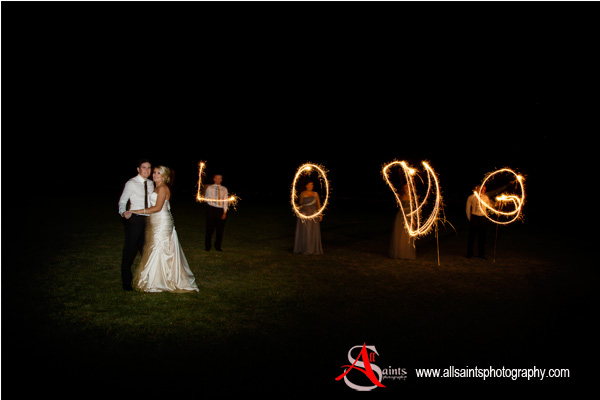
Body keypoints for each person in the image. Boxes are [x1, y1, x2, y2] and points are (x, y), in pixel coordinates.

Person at [125, 166, 199, 293]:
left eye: (158, 173)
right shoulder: (154, 187)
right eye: (154, 172)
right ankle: (159, 278)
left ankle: (158, 281)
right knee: (157, 247)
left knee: (159, 248)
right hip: (155, 221)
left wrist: (135, 211)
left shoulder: (163, 188)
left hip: (162, 221)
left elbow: (157, 208)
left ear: (164, 176)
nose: (155, 175)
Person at [118, 159, 154, 291]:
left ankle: (147, 279)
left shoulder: (152, 184)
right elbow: (122, 201)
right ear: (138, 169)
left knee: (147, 251)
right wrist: (123, 212)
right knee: (130, 251)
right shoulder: (131, 183)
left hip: (149, 221)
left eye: (149, 168)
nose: (147, 170)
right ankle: (126, 282)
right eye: (144, 167)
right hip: (135, 220)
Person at [293, 180, 323, 255]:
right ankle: (305, 247)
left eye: (312, 184)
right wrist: (304, 209)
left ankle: (313, 248)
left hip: (314, 214)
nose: (311, 186)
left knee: (313, 231)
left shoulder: (316, 194)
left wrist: (320, 214)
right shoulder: (302, 194)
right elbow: (300, 204)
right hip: (305, 215)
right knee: (306, 231)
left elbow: (319, 204)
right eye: (309, 185)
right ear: (306, 186)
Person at [389, 184, 416, 259]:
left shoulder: (411, 196)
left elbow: (413, 208)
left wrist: (413, 218)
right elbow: (402, 206)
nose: (407, 189)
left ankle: (405, 253)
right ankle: (400, 253)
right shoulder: (403, 197)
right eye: (406, 188)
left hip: (408, 216)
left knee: (406, 235)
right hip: (402, 216)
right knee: (401, 234)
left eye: (408, 188)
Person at [465, 185, 492, 259]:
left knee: (482, 237)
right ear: (477, 189)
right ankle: (469, 253)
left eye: (485, 189)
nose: (484, 190)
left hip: (483, 218)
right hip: (474, 217)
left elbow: (489, 206)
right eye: (482, 189)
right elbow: (468, 209)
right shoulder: (471, 197)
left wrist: (496, 205)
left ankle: (481, 254)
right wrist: (470, 219)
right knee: (472, 237)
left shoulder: (485, 197)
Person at [204, 174, 228, 251]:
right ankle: (208, 246)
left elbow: (226, 201)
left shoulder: (224, 189)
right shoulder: (210, 188)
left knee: (220, 229)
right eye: (217, 178)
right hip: (212, 209)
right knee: (209, 229)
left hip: (220, 210)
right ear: (214, 179)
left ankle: (218, 246)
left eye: (220, 178)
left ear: (221, 180)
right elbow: (205, 198)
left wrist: (224, 212)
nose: (218, 180)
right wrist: (211, 200)